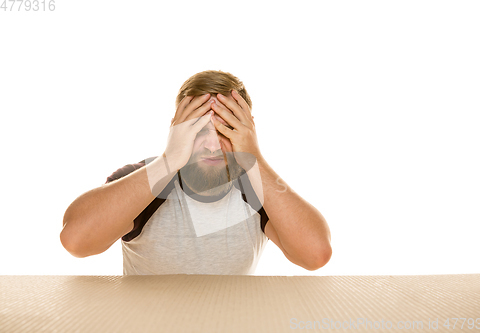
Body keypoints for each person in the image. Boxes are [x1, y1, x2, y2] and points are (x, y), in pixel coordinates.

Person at [60, 70, 332, 275]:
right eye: (199, 130)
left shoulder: (255, 185)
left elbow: (316, 255)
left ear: (248, 131)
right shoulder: (143, 179)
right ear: (176, 129)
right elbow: (76, 242)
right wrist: (168, 161)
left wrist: (253, 158)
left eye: (226, 129)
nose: (213, 145)